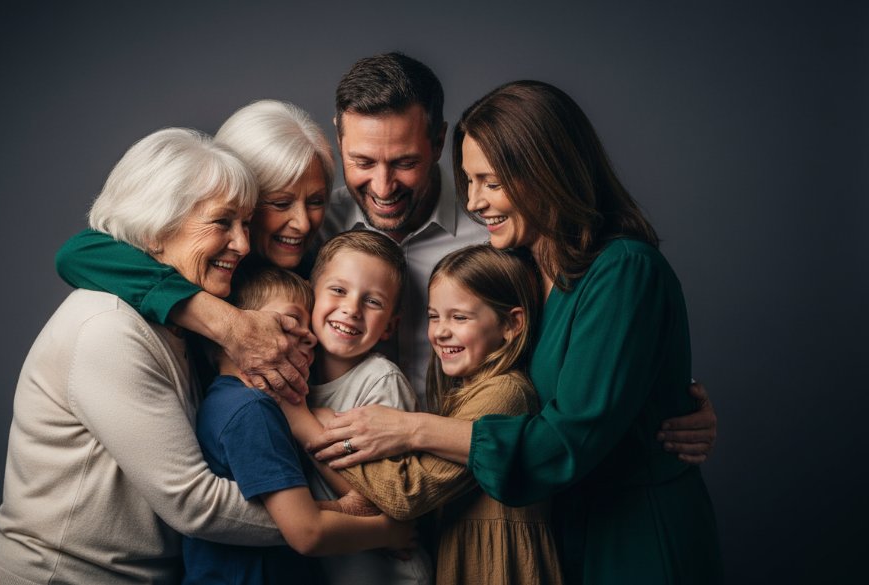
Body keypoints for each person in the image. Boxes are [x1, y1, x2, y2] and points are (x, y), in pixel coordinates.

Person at [51, 53, 717, 459]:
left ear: (438, 140)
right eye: (362, 161)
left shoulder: (497, 228)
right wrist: (221, 320)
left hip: (467, 475)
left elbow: (577, 342)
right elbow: (86, 249)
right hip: (326, 478)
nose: (382, 184)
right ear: (339, 137)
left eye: (403, 162)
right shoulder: (308, 222)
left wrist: (666, 400)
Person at [311, 81, 724, 584]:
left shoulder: (624, 269)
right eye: (469, 182)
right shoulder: (519, 266)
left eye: (491, 182)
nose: (476, 201)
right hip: (544, 528)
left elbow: (569, 435)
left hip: (629, 536)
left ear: (547, 172)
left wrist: (410, 428)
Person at [0, 128, 287, 585]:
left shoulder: (179, 323)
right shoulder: (109, 327)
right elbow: (192, 502)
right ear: (156, 228)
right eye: (223, 223)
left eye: (246, 225)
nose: (243, 244)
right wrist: (332, 522)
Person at [302, 244, 564, 585]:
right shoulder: (466, 391)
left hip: (497, 566)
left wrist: (314, 423)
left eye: (459, 317)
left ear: (512, 324)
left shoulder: (505, 394)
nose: (440, 331)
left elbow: (405, 492)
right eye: (434, 316)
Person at [56, 99, 334, 395]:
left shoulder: (326, 262)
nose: (303, 224)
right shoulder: (203, 262)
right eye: (280, 203)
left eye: (316, 201)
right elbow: (77, 253)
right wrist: (229, 324)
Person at [183, 266, 414, 585]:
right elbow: (307, 532)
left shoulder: (234, 402)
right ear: (231, 334)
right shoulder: (252, 410)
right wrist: (389, 531)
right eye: (289, 325)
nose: (310, 337)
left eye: (309, 328)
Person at [281, 230, 433, 585]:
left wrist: (304, 423)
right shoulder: (292, 377)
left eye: (373, 302)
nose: (351, 308)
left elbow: (384, 501)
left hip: (393, 575)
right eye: (338, 290)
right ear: (309, 296)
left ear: (389, 328)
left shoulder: (381, 381)